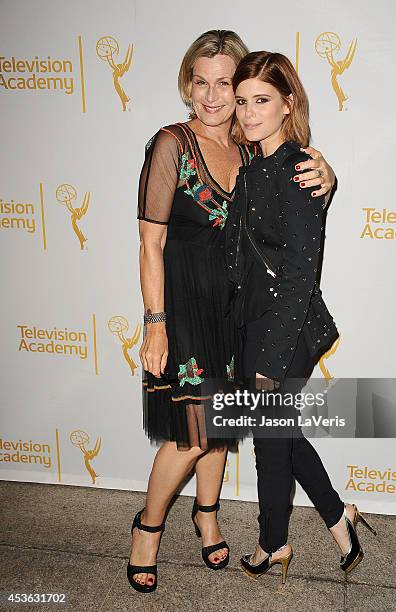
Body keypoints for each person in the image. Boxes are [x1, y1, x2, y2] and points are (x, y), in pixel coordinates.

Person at [128, 31, 337, 594]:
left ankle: (207, 515)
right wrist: (155, 323)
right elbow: (151, 243)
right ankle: (147, 529)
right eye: (203, 82)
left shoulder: (251, 145)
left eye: (227, 83)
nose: (216, 96)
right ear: (187, 85)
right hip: (187, 307)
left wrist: (330, 175)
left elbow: (288, 207)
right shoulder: (171, 144)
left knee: (222, 428)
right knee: (194, 431)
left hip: (239, 309)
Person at [227, 51, 377, 585]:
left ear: (288, 103)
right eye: (242, 101)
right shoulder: (250, 166)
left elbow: (299, 277)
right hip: (254, 324)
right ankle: (340, 517)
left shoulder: (299, 170)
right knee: (281, 435)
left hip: (285, 330)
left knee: (272, 444)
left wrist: (268, 357)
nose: (248, 112)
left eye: (262, 100)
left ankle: (274, 545)